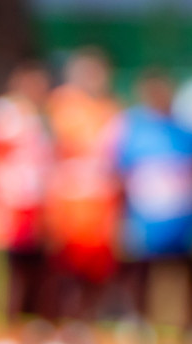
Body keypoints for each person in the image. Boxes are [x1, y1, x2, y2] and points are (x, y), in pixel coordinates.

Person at [116, 70, 192, 336]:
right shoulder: (132, 132)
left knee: (187, 280)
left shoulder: (185, 131)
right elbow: (119, 174)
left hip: (183, 225)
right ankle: (140, 325)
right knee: (142, 279)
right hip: (146, 223)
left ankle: (191, 330)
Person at [45, 47, 122, 323]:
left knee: (97, 273)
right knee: (65, 273)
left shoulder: (111, 110)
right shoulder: (61, 106)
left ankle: (89, 323)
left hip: (101, 207)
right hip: (69, 205)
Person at [0, 60, 54, 324]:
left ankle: (27, 323)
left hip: (34, 205)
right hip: (7, 204)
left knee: (33, 268)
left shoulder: (41, 117)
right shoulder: (2, 113)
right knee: (5, 270)